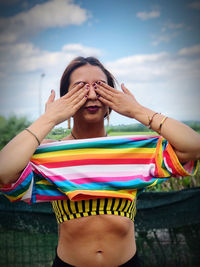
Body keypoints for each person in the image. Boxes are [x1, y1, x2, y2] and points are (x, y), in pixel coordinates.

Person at [0, 56, 200, 267]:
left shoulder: (133, 152)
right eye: (80, 89)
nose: (93, 95)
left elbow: (194, 147)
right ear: (65, 100)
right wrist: (49, 118)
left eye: (100, 87)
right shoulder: (49, 154)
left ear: (112, 100)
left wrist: (136, 110)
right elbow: (4, 172)